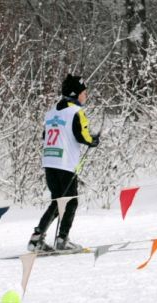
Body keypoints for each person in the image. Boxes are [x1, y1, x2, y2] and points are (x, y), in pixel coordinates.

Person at [28, 74, 99, 253]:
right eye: (84, 92)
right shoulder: (76, 112)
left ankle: (36, 239)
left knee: (57, 202)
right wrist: (94, 140)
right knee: (70, 201)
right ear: (75, 94)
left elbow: (46, 136)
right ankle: (62, 239)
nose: (86, 96)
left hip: (49, 161)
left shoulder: (51, 111)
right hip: (65, 163)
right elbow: (83, 136)